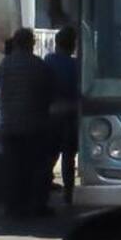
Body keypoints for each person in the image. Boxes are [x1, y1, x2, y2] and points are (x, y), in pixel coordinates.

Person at [0, 28, 55, 218]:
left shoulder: (5, 65)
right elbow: (47, 94)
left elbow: (1, 91)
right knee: (38, 168)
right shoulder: (39, 65)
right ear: (31, 43)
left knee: (14, 169)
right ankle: (37, 205)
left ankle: (14, 207)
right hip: (35, 124)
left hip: (10, 124)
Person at [44, 27, 78, 206]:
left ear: (57, 43)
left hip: (52, 113)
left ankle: (44, 188)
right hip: (72, 114)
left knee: (50, 154)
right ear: (72, 45)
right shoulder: (76, 65)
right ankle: (69, 193)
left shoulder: (49, 61)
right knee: (69, 157)